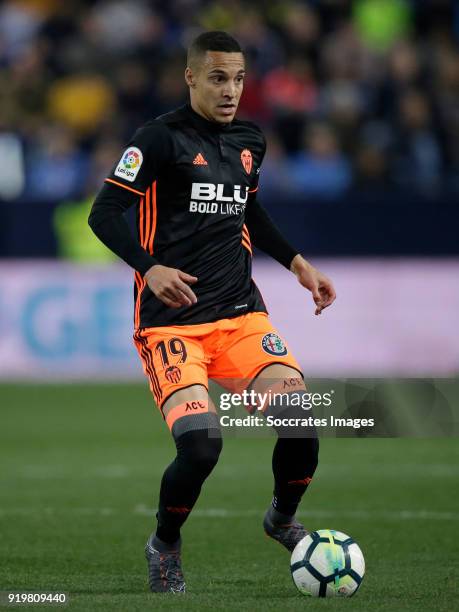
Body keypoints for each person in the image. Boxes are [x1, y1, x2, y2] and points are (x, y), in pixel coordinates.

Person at [88, 30, 336, 594]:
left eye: (240, 79)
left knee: (300, 420)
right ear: (192, 77)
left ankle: (280, 518)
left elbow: (249, 209)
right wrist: (149, 266)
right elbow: (103, 214)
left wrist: (297, 263)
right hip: (171, 324)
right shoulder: (158, 139)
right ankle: (165, 544)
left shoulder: (251, 139)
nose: (231, 91)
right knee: (201, 447)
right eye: (219, 78)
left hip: (241, 315)